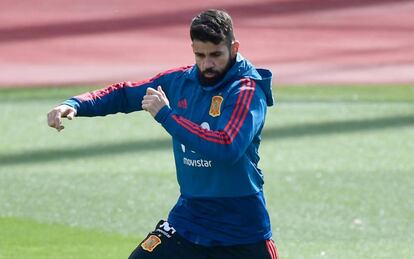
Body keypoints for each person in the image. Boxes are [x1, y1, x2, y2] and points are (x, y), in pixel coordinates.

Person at [47, 9, 278, 259]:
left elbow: (227, 147)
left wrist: (167, 116)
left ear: (234, 48)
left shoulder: (246, 90)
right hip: (190, 218)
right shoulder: (180, 81)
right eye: (199, 55)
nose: (207, 64)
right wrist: (76, 104)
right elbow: (126, 95)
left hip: (240, 229)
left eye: (215, 55)